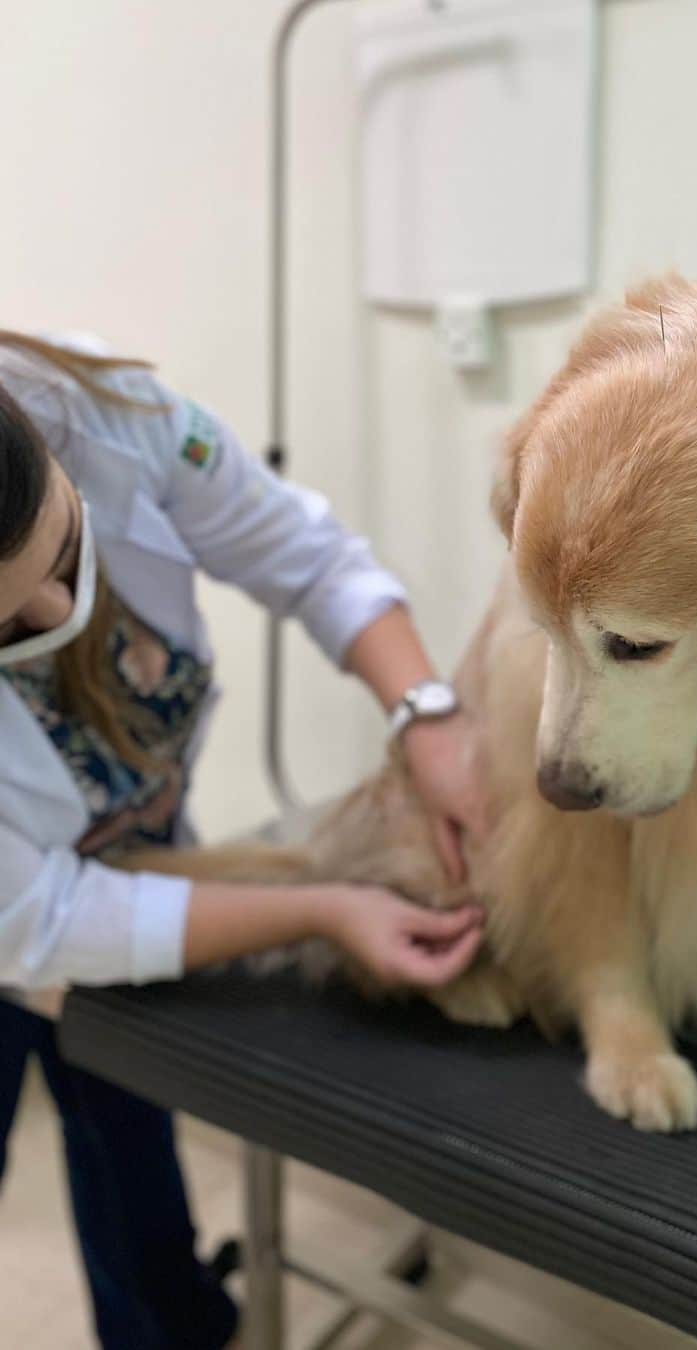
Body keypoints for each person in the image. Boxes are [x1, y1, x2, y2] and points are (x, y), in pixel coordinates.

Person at [0, 329, 486, 1349]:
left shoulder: (105, 420)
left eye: (69, 548)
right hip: (30, 905)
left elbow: (303, 557)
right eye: (8, 631)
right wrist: (320, 906)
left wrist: (429, 715)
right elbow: (40, 920)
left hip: (139, 853)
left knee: (133, 1156)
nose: (63, 611)